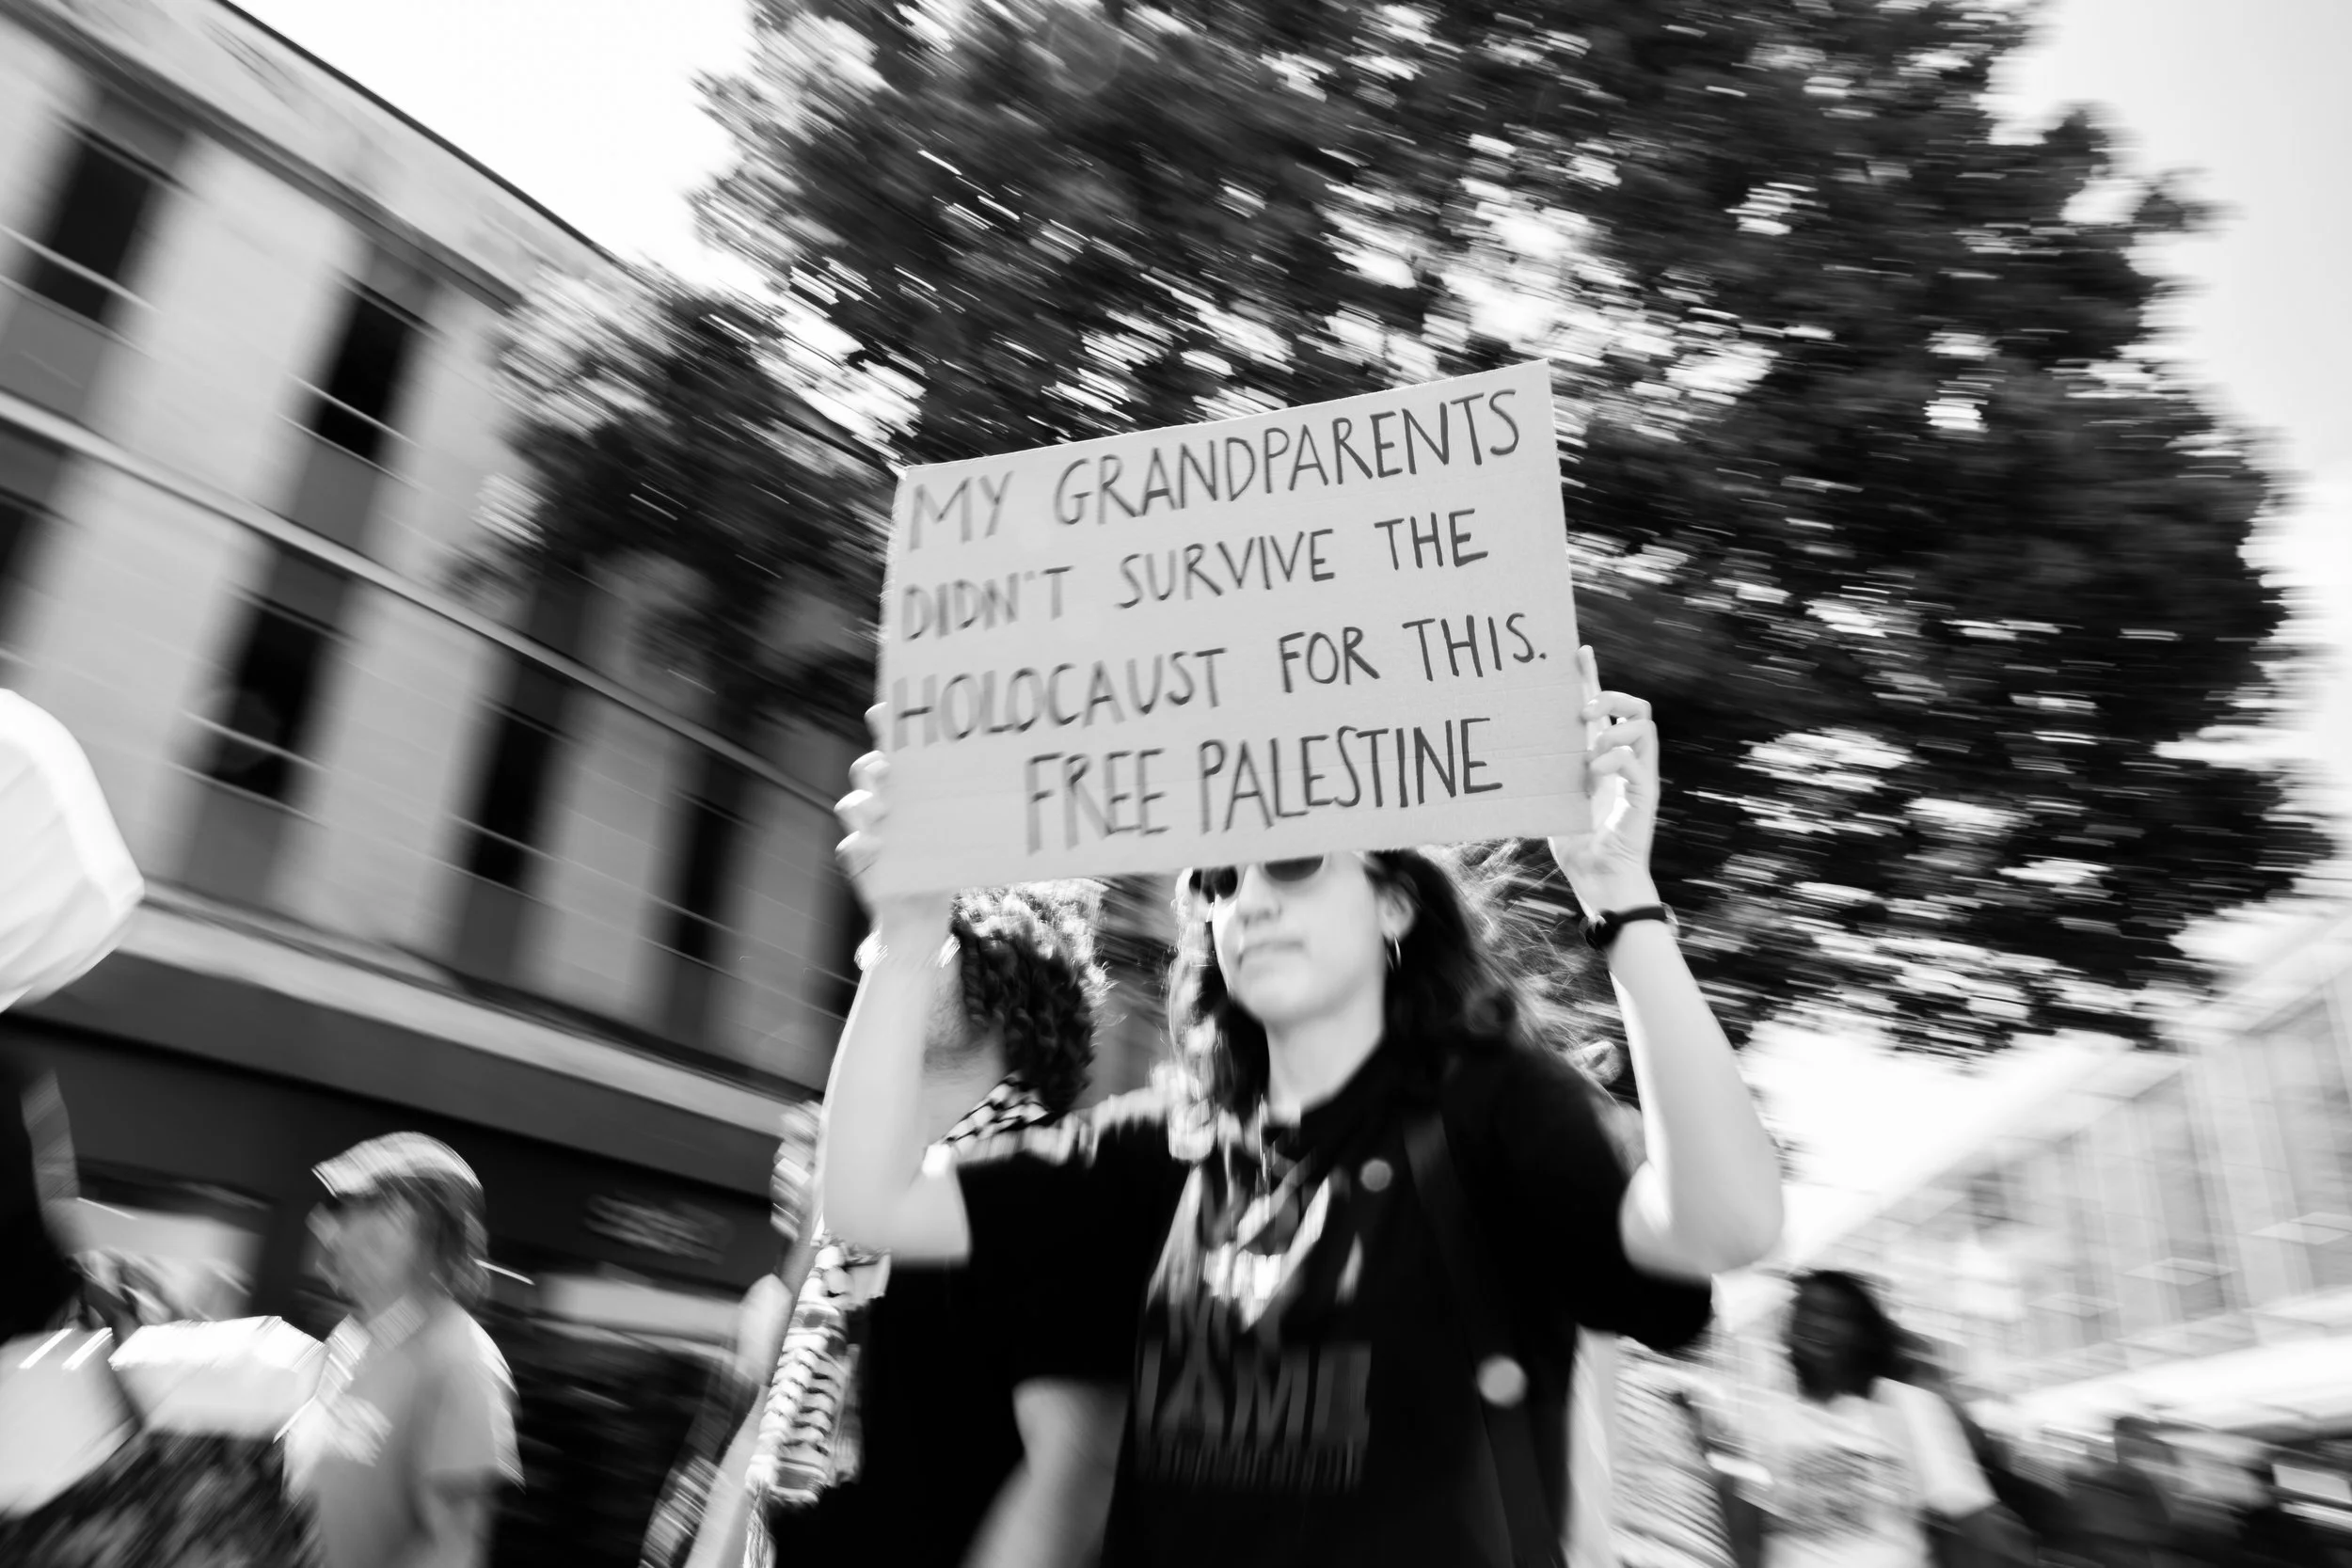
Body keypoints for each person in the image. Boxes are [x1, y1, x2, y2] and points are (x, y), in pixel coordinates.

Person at [818, 649, 1787, 1565]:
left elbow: (1728, 1222)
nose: (1247, 905)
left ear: (1397, 906)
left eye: (1289, 863)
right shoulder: (1162, 1146)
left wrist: (1622, 897)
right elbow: (869, 1201)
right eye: (1218, 884)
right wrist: (903, 941)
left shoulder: (1495, 1104)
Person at [736, 883, 1127, 1568]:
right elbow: (763, 1448)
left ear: (1013, 978)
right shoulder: (859, 1199)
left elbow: (1077, 1467)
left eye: (935, 936)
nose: (891, 954)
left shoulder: (1047, 1186)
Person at [284, 1133, 520, 1568]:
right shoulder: (350, 1340)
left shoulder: (461, 1360)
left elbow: (451, 1549)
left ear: (402, 1220)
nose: (323, 1222)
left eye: (344, 1208)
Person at [1753, 1270, 2003, 1568]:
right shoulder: (1772, 1416)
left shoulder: (1910, 1407)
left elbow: (1977, 1526)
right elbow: (1760, 1529)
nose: (1815, 1324)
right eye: (1804, 1310)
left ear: (1862, 1334)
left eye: (1834, 1315)